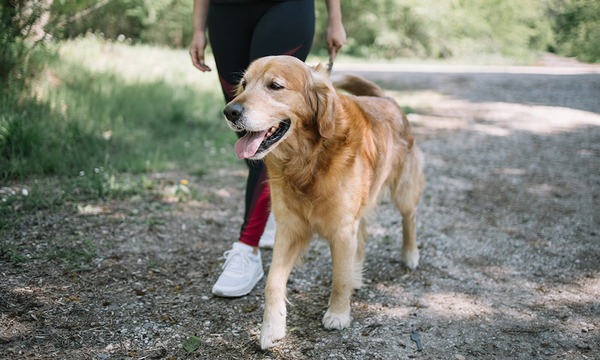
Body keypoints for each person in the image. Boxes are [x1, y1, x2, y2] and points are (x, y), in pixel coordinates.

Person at [189, 0, 346, 297]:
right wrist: (198, 28)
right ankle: (273, 206)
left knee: (269, 125)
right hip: (225, 12)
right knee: (245, 119)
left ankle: (247, 248)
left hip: (285, 7)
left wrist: (334, 18)